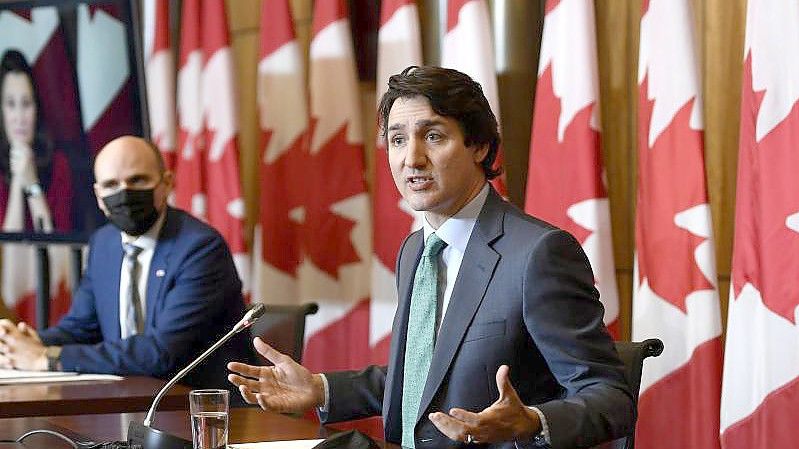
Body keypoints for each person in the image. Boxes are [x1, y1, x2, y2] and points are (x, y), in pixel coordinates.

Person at [227, 66, 635, 449]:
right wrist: (320, 389)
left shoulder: (537, 254)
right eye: (398, 139)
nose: (411, 159)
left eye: (434, 136)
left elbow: (611, 397)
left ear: (478, 145)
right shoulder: (416, 250)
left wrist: (531, 421)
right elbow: (426, 376)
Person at [0, 136, 251, 393]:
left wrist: (47, 358)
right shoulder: (104, 244)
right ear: (98, 196)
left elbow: (161, 352)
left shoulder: (200, 248)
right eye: (111, 185)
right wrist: (23, 342)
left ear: (166, 184)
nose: (124, 193)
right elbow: (80, 327)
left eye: (137, 180)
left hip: (202, 411)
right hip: (126, 402)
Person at [0, 49, 71, 233]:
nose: (19, 117)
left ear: (36, 108)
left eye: (26, 104)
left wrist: (31, 184)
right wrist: (17, 180)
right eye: (10, 104)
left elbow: (59, 256)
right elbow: (8, 256)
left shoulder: (59, 166)